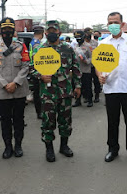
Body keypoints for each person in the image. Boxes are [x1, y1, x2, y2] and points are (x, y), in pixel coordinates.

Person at [96, 12, 127, 163]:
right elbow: (98, 64)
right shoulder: (103, 43)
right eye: (110, 22)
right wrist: (99, 76)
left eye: (116, 22)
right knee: (112, 122)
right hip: (111, 89)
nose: (113, 25)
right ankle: (113, 149)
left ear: (122, 24)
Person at [31, 20, 81, 162]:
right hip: (48, 93)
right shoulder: (40, 49)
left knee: (65, 121)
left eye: (54, 31)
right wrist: (40, 76)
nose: (52, 33)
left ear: (59, 32)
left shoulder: (67, 48)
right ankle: (49, 149)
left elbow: (75, 68)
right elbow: (31, 67)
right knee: (48, 122)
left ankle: (64, 146)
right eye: (50, 31)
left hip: (65, 91)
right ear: (45, 33)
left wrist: (78, 86)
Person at [0, 17, 30, 159]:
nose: (7, 31)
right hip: (2, 91)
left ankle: (18, 145)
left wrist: (16, 82)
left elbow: (26, 66)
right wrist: (5, 84)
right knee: (5, 121)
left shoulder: (21, 46)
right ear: (1, 30)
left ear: (13, 29)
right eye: (4, 29)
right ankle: (7, 147)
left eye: (9, 28)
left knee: (19, 119)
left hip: (19, 90)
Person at [73, 30, 93, 107]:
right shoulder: (75, 46)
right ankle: (77, 100)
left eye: (79, 37)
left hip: (86, 69)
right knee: (77, 86)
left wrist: (87, 61)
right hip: (77, 70)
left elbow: (92, 57)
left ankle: (89, 100)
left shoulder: (88, 46)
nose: (78, 39)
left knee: (87, 86)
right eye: (76, 38)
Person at [29, 25, 45, 119]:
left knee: (37, 92)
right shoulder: (37, 43)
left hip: (34, 69)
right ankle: (39, 112)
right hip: (37, 70)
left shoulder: (33, 41)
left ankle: (39, 111)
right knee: (38, 93)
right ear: (42, 33)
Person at [90, 30, 102, 103]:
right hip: (87, 66)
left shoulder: (97, 43)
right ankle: (89, 98)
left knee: (96, 81)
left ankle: (97, 95)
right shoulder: (84, 44)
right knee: (88, 83)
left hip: (96, 65)